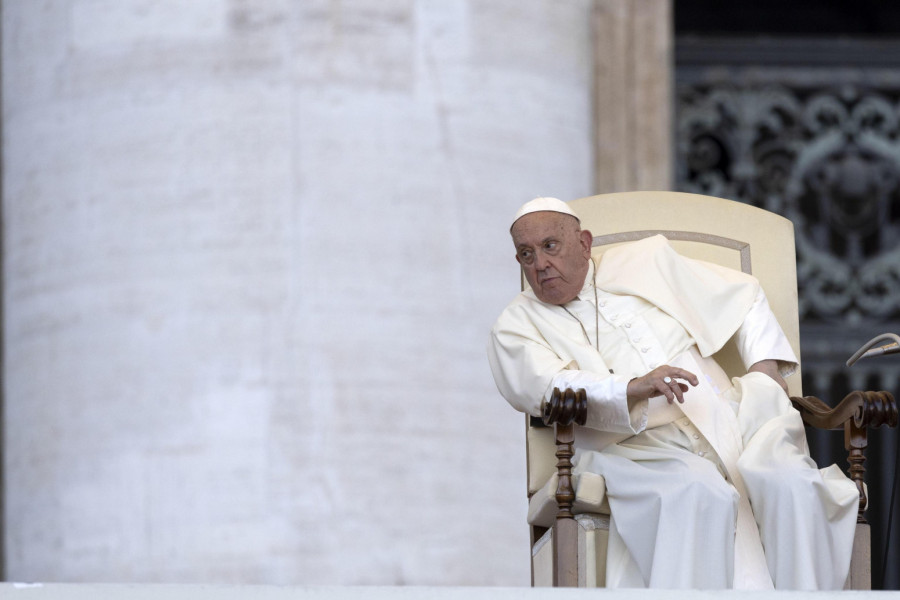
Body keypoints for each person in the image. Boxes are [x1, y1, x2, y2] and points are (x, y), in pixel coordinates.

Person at [487, 197, 859, 590]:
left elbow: (744, 294)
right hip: (635, 448)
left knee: (792, 485)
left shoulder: (644, 261)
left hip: (729, 416)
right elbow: (547, 387)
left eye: (550, 246)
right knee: (697, 491)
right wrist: (631, 388)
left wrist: (765, 368)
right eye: (526, 254)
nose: (540, 264)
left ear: (583, 242)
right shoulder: (514, 325)